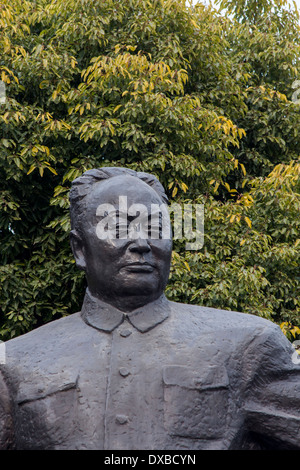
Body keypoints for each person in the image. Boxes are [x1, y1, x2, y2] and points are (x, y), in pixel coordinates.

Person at [0, 167, 299, 450]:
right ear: (80, 249)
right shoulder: (13, 360)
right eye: (117, 228)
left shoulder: (250, 344)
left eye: (155, 228)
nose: (141, 243)